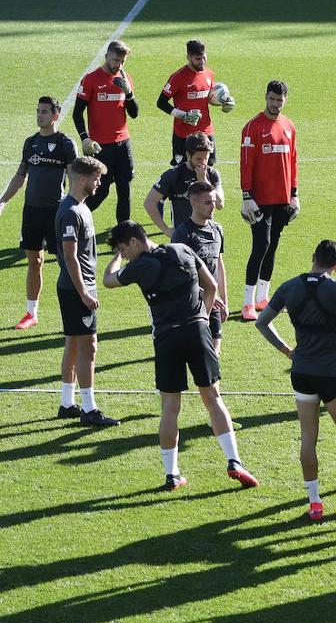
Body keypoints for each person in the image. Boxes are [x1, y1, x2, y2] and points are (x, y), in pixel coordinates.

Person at [101, 221, 258, 490]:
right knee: (212, 397)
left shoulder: (139, 267)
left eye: (123, 248)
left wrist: (115, 259)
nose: (124, 254)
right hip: (197, 331)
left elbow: (107, 280)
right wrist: (203, 318)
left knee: (170, 407)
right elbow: (212, 286)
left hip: (167, 337)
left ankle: (172, 474)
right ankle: (235, 461)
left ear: (135, 242)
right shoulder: (183, 250)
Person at [255, 240, 336, 519]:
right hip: (331, 375)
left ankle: (314, 503)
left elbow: (261, 321)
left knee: (308, 436)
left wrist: (287, 350)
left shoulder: (289, 286)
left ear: (312, 257)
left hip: (301, 372)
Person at [0, 96, 77, 330]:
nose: (39, 115)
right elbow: (20, 175)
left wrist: (75, 206)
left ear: (55, 115)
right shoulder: (30, 143)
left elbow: (73, 177)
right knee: (34, 260)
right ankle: (31, 313)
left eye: (44, 112)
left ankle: (74, 308)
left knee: (66, 261)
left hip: (56, 211)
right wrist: (3, 200)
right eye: (38, 111)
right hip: (32, 211)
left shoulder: (65, 143)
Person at [53, 157, 116, 426]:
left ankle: (67, 403)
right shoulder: (70, 212)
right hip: (76, 288)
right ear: (82, 179)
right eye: (96, 178)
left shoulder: (80, 207)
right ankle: (89, 409)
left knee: (74, 343)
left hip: (76, 287)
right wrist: (84, 293)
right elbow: (71, 258)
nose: (99, 183)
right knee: (88, 346)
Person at [239, 80, 299, 321]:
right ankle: (247, 303)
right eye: (272, 99)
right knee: (260, 246)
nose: (275, 104)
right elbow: (246, 164)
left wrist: (295, 194)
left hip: (282, 198)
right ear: (266, 97)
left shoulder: (289, 126)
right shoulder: (252, 127)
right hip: (259, 200)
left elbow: (293, 161)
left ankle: (263, 297)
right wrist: (247, 197)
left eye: (279, 100)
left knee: (273, 245)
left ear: (285, 100)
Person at [73, 40, 138, 225]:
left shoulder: (125, 79)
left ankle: (124, 233)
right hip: (102, 146)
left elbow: (134, 114)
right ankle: (71, 218)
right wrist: (85, 138)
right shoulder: (91, 79)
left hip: (123, 143)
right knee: (101, 191)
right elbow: (77, 113)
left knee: (125, 189)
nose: (119, 65)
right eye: (116, 60)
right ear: (107, 56)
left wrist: (129, 92)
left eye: (123, 62)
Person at [156, 38, 233, 167]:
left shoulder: (209, 74)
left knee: (208, 170)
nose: (202, 62)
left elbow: (210, 97)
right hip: (183, 135)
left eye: (204, 57)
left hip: (206, 132)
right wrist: (183, 115)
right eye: (198, 59)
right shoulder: (177, 77)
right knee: (182, 174)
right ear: (188, 57)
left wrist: (225, 104)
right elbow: (161, 103)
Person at [171, 181, 228, 352]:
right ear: (193, 203)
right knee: (195, 352)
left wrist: (224, 299)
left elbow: (219, 263)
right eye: (207, 202)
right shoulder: (183, 234)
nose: (213, 206)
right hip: (190, 303)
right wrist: (206, 293)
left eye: (213, 201)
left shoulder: (217, 229)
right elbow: (178, 273)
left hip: (214, 300)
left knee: (215, 351)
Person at [144, 131, 224, 235]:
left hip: (207, 236)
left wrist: (203, 180)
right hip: (182, 237)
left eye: (205, 158)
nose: (203, 163)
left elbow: (220, 204)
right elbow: (149, 202)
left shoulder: (212, 174)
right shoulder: (174, 175)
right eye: (198, 159)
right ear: (188, 155)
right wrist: (166, 230)